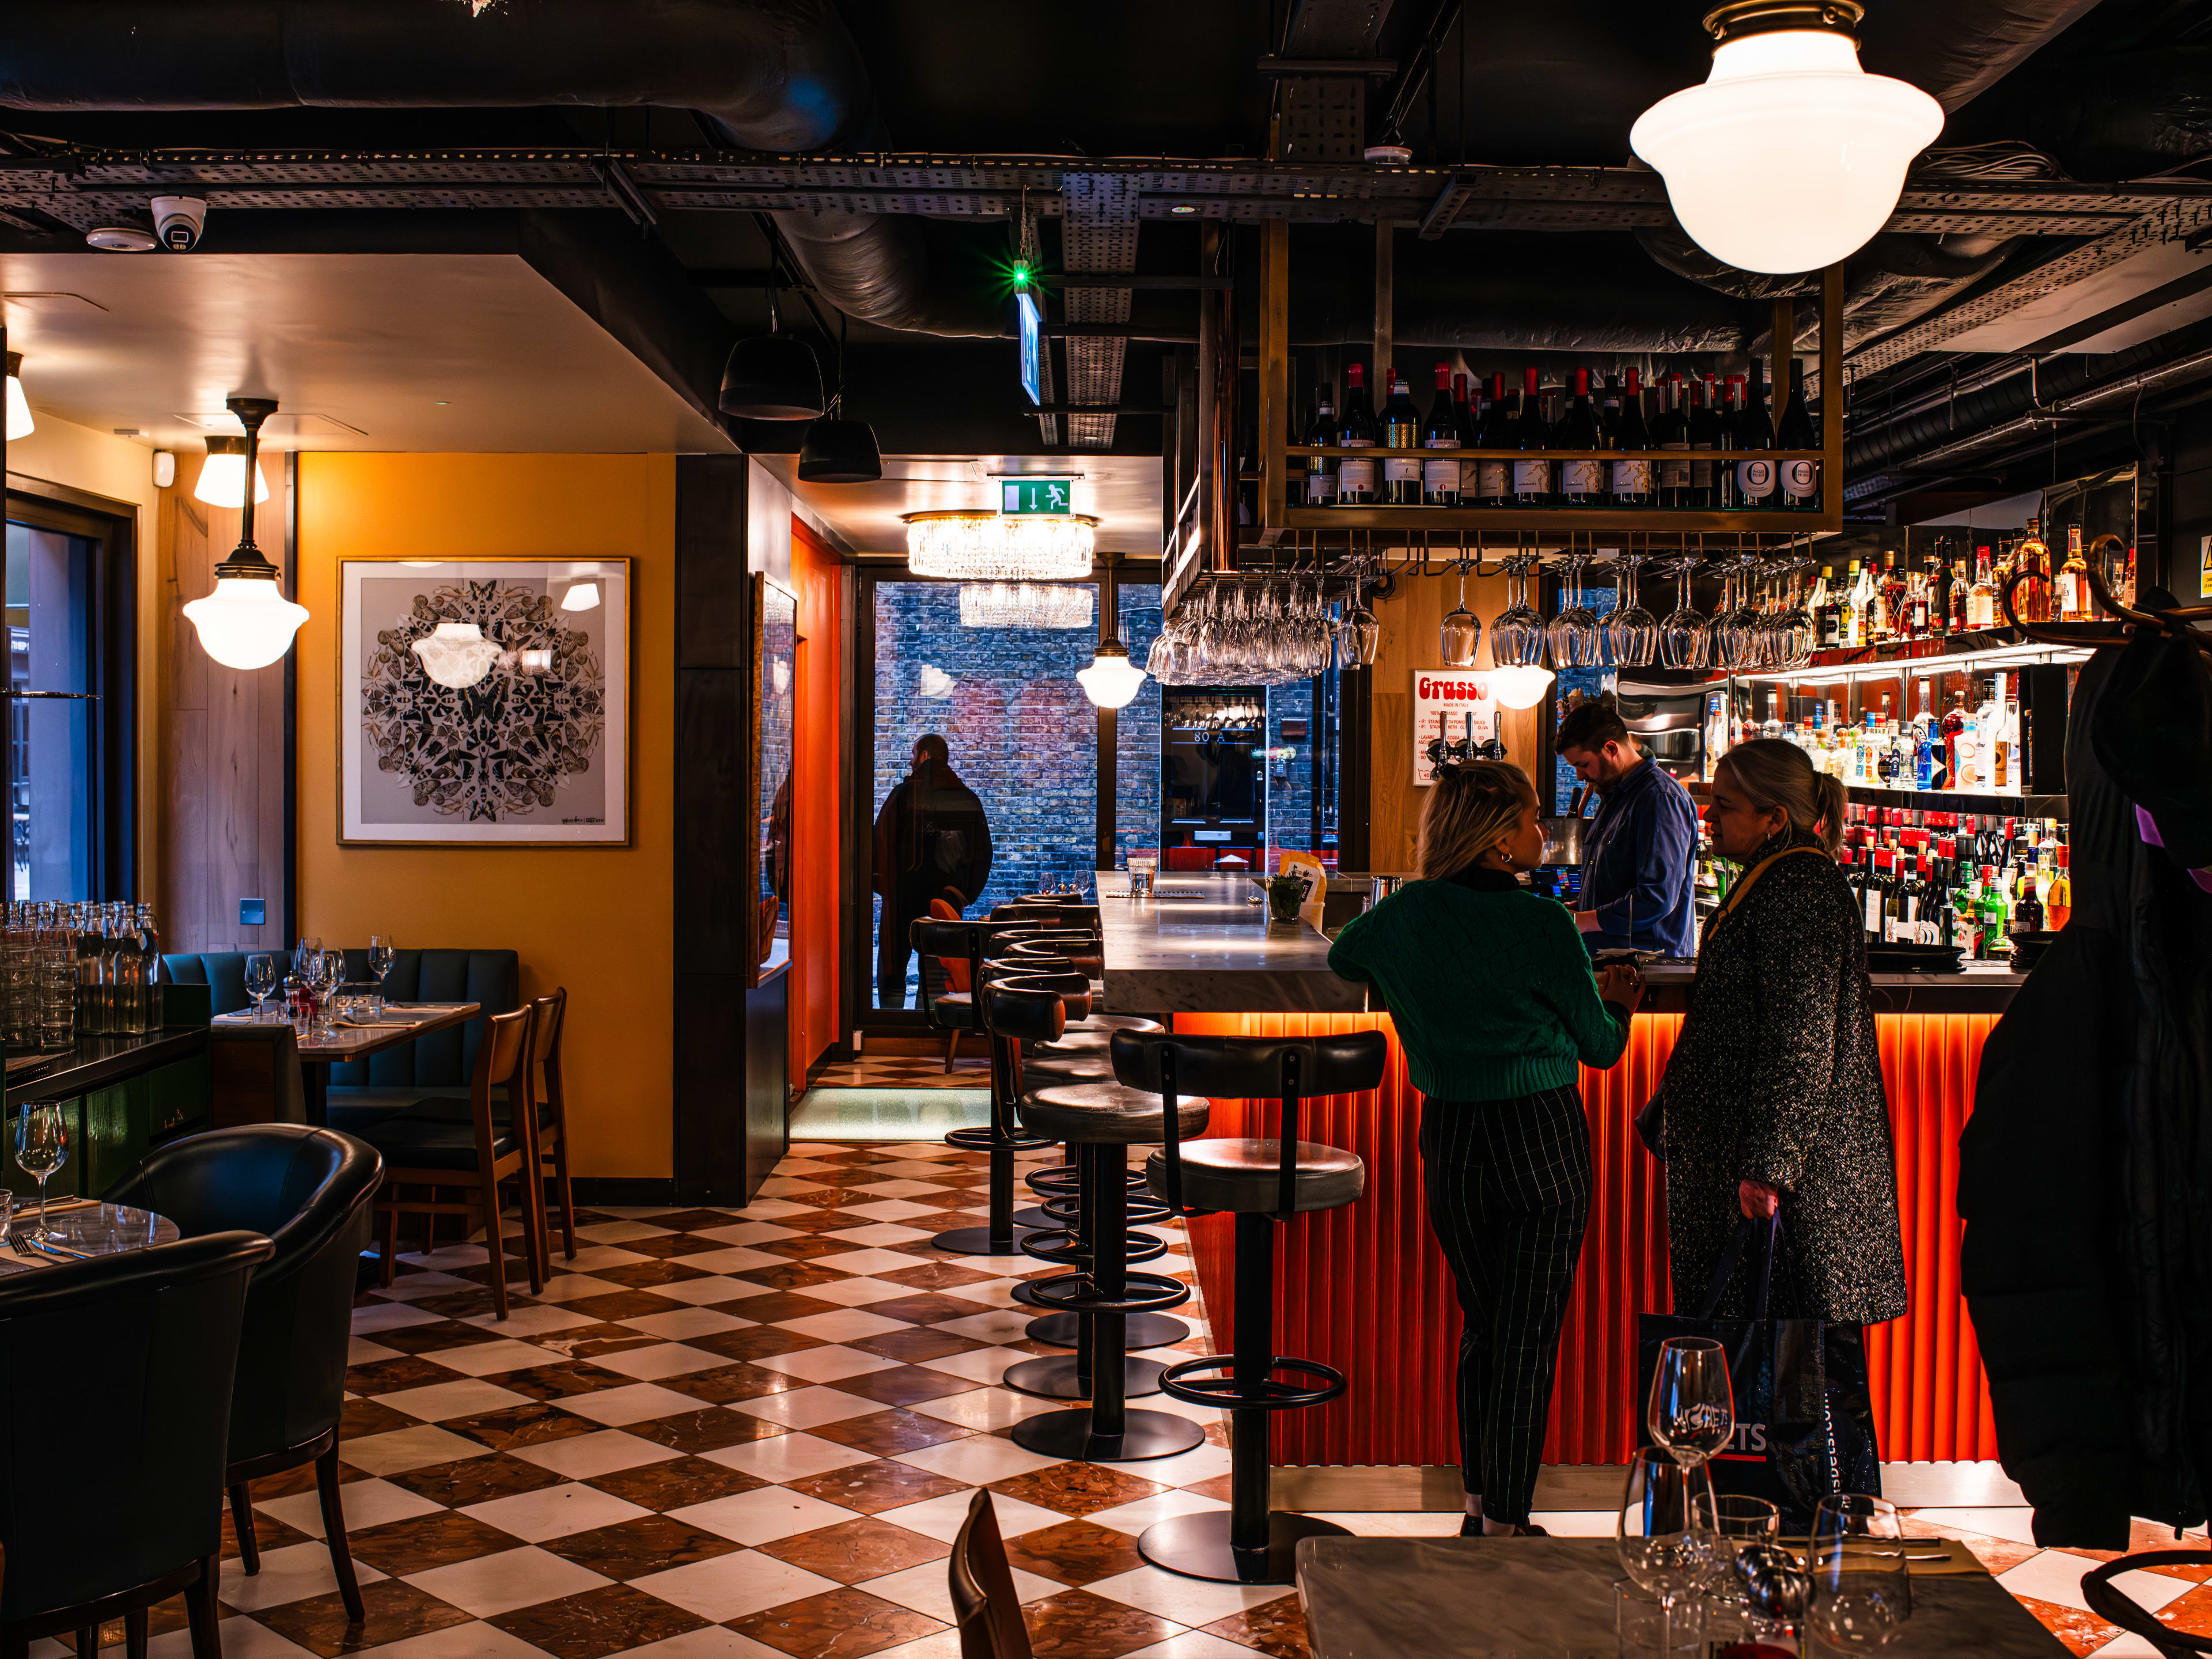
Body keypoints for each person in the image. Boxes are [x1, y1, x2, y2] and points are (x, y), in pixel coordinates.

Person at [1329, 761, 1643, 1537]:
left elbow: (1344, 959)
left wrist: (1422, 995)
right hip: (1540, 1138)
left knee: (1484, 1322)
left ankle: (1479, 1506)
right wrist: (1621, 1002)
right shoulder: (1543, 925)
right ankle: (1506, 1521)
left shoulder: (1404, 916)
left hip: (1454, 1139)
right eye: (1534, 820)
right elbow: (1601, 1049)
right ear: (1500, 840)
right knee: (1527, 1338)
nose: (1544, 833)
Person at [1654, 737, 1906, 1335]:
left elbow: (1801, 1041)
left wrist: (1770, 1168)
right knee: (1761, 1363)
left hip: (1789, 1186)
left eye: (1725, 805)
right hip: (1758, 1163)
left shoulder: (1799, 890)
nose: (1708, 817)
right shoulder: (1778, 878)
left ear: (1775, 818)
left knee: (1786, 1375)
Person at [1555, 698, 1699, 957]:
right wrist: (1578, 908)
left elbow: (1656, 897)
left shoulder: (1660, 799)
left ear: (1611, 748)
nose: (1579, 776)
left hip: (1649, 971)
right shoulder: (1615, 797)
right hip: (1616, 965)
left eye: (1583, 764)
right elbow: (1616, 888)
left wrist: (1584, 920)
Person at [872, 734, 993, 1008]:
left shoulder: (903, 796)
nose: (911, 761)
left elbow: (879, 842)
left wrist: (886, 887)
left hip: (903, 896)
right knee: (937, 969)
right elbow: (983, 853)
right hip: (945, 899)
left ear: (925, 755)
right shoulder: (966, 798)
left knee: (894, 967)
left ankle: (892, 1022)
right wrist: (963, 894)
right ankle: (927, 1023)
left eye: (914, 755)